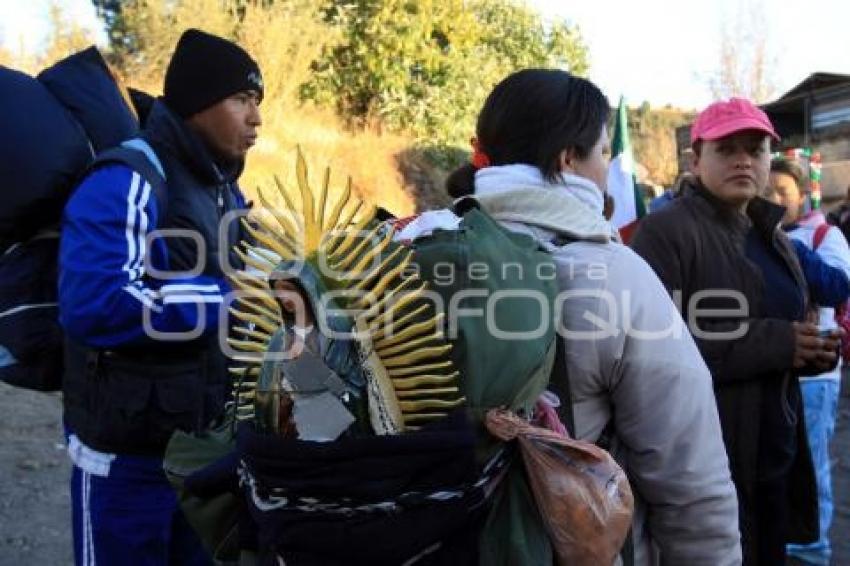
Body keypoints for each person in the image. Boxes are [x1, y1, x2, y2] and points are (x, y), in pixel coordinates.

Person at [447, 69, 741, 565]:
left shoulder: (425, 249)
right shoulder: (614, 275)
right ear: (568, 158)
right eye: (605, 152)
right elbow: (688, 476)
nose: (608, 167)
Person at [59, 29, 262, 565]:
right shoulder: (131, 176)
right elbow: (97, 300)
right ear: (198, 103)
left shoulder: (224, 189)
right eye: (242, 99)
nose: (256, 118)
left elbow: (247, 275)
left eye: (257, 103)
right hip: (124, 461)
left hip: (197, 454)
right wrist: (226, 301)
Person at [631, 97, 836, 565]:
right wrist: (776, 343)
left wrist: (811, 352)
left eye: (756, 148)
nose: (744, 159)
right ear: (695, 159)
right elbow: (650, 351)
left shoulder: (773, 234)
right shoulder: (664, 233)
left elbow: (786, 329)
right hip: (704, 460)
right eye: (727, 149)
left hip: (775, 450)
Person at [767, 157, 850, 564]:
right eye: (768, 191)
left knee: (813, 463)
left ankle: (813, 549)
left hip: (817, 375)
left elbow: (838, 286)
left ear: (802, 194)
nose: (775, 199)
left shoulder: (822, 235)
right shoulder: (758, 237)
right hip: (774, 370)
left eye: (783, 191)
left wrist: (787, 246)